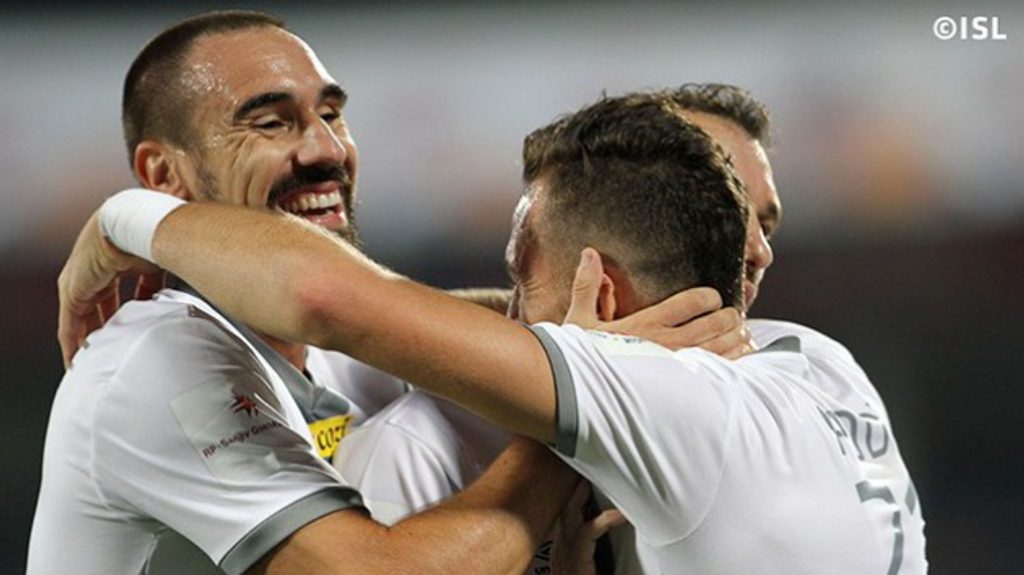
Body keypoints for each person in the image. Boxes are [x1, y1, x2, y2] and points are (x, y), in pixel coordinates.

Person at [59, 91, 926, 573]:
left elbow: (327, 295)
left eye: (521, 270)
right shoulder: (815, 360)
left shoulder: (648, 396)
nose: (758, 247)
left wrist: (124, 218)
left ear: (602, 290)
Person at [28, 11, 596, 574]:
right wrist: (577, 425)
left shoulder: (333, 347)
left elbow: (466, 324)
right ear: (163, 176)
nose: (327, 149)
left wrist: (600, 338)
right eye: (270, 124)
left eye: (330, 114)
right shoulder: (155, 360)